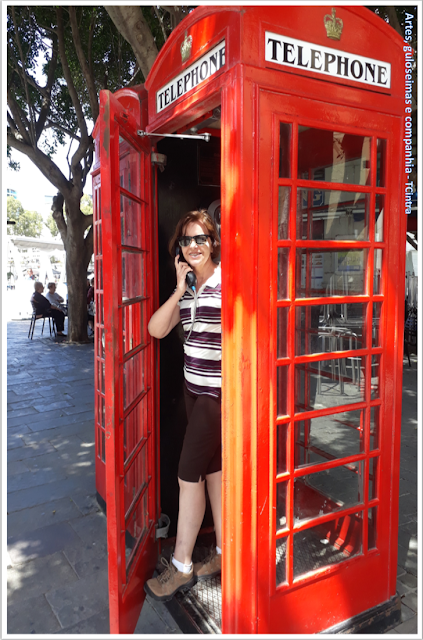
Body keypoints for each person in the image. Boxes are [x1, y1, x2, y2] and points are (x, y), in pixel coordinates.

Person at [145, 210, 222, 602]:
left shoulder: (226, 284)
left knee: (186, 476)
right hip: (193, 391)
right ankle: (225, 553)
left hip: (216, 396)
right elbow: (156, 329)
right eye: (186, 241)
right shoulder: (191, 287)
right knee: (213, 474)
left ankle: (181, 566)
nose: (193, 246)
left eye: (200, 239)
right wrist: (179, 287)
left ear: (213, 241)